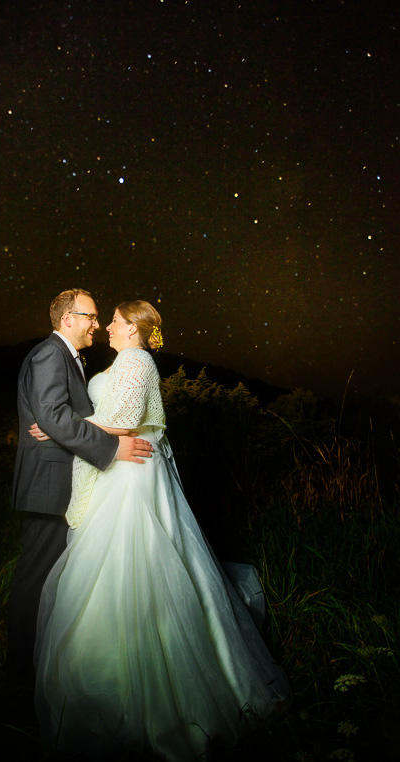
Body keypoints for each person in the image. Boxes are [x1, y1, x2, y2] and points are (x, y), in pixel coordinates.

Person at [32, 301, 291, 761]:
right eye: (104, 319)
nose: (107, 326)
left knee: (134, 566)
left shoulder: (136, 361)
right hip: (120, 468)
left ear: (133, 329)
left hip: (132, 478)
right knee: (118, 568)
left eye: (113, 319)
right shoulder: (123, 362)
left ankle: (149, 698)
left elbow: (126, 423)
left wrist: (58, 430)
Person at [7, 289, 153, 682]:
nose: (96, 323)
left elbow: (59, 420)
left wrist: (61, 427)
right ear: (67, 319)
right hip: (50, 484)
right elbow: (52, 415)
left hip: (65, 481)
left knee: (54, 579)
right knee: (35, 580)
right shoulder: (49, 354)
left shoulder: (70, 359)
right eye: (90, 316)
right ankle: (21, 673)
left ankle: (44, 663)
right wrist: (111, 446)